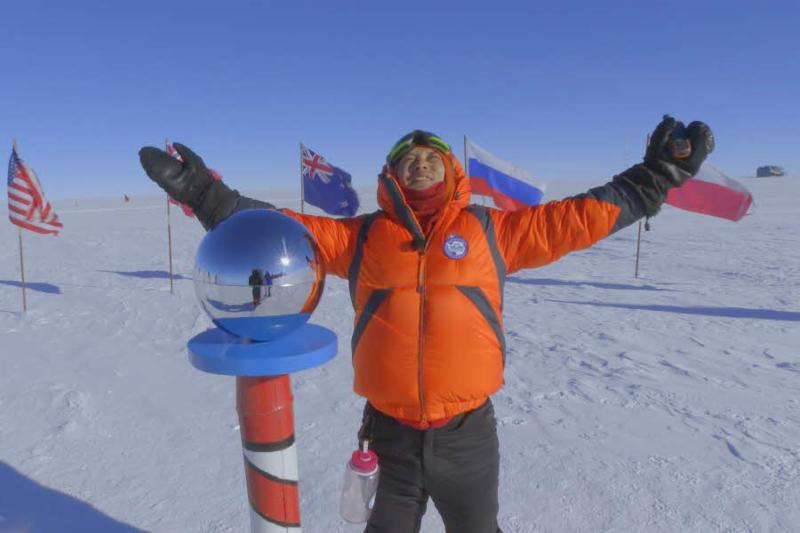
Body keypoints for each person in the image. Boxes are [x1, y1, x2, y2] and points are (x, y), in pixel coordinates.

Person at [139, 116, 713, 533]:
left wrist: (652, 177)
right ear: (392, 173)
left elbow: (575, 220)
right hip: (388, 433)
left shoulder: (492, 233)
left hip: (467, 435)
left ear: (450, 168)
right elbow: (279, 227)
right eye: (408, 158)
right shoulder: (361, 237)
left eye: (431, 156)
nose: (421, 163)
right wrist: (205, 196)